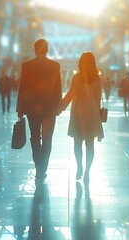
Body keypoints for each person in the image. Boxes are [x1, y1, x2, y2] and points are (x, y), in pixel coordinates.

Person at [16, 39, 62, 183]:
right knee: (47, 139)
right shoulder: (55, 66)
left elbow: (23, 88)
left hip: (32, 108)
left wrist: (20, 108)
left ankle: (38, 167)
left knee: (35, 138)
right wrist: (58, 107)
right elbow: (57, 88)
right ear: (46, 50)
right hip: (49, 109)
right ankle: (43, 168)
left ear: (35, 50)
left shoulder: (27, 65)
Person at [58, 52, 104, 182]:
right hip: (92, 114)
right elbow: (98, 98)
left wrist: (60, 107)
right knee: (90, 144)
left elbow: (71, 94)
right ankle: (88, 171)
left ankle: (79, 166)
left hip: (78, 114)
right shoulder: (97, 79)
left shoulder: (77, 77)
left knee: (77, 143)